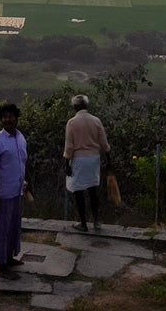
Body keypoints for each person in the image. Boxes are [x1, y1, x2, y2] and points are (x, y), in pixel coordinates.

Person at [0, 101, 30, 280]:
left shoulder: (20, 137)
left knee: (13, 227)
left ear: (16, 118)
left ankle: (10, 257)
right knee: (2, 229)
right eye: (4, 117)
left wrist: (28, 183)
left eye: (11, 116)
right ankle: (2, 266)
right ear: (1, 120)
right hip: (3, 193)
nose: (8, 120)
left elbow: (24, 162)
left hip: (17, 190)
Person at [64, 93, 111, 231]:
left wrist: (66, 164)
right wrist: (109, 161)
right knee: (92, 190)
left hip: (78, 159)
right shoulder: (96, 121)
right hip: (93, 159)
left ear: (75, 107)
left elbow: (69, 147)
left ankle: (83, 223)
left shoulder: (72, 123)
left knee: (78, 191)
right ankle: (96, 221)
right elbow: (104, 143)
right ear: (86, 105)